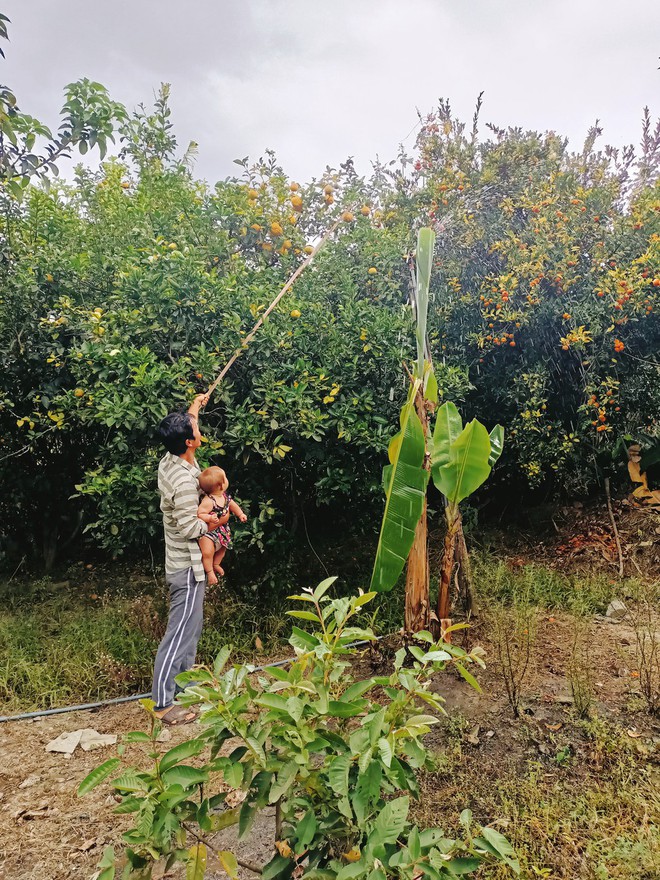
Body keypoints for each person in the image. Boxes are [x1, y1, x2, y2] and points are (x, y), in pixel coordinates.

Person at [150, 394, 219, 726]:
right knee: (179, 632)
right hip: (187, 565)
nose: (197, 428)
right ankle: (163, 702)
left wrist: (195, 405)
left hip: (186, 563)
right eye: (195, 427)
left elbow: (188, 428)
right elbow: (189, 525)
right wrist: (217, 521)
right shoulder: (184, 481)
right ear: (190, 442)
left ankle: (186, 687)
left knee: (191, 629)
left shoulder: (174, 458)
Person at [197, 466, 247, 585]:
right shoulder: (208, 501)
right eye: (225, 478)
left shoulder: (224, 496)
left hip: (222, 529)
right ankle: (209, 572)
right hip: (209, 533)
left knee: (224, 547)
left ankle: (216, 564)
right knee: (207, 552)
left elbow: (233, 505)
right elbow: (200, 513)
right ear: (221, 485)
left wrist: (240, 514)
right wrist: (209, 517)